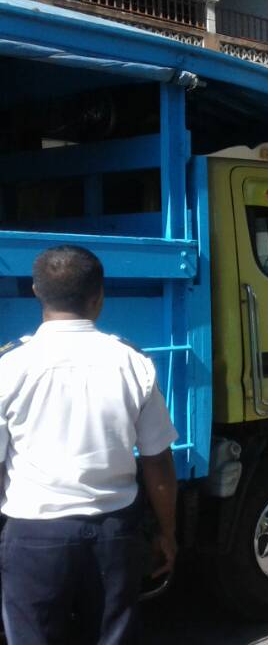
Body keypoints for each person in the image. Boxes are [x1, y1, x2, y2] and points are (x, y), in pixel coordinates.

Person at [0, 245, 178, 645]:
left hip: (33, 536)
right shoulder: (132, 362)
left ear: (35, 291)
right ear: (99, 295)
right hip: (114, 534)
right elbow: (157, 461)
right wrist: (167, 532)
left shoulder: (8, 367)